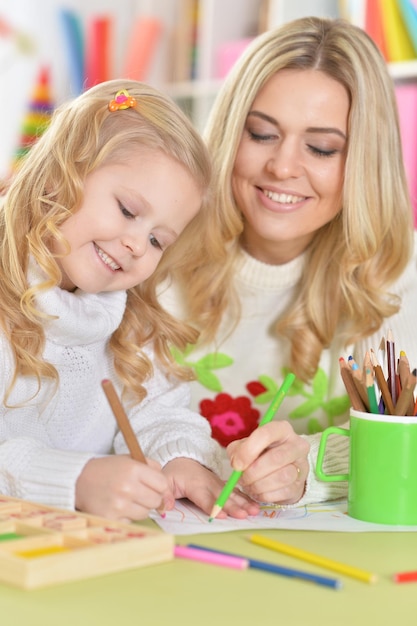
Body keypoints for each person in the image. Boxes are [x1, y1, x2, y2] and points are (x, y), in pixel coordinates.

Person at [159, 17, 417, 507]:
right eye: (260, 134)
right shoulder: (152, 251)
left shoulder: (401, 272)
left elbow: (409, 440)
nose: (282, 167)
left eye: (321, 147)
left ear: (363, 162)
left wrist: (309, 470)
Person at [0, 78, 260, 522]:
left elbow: (159, 413)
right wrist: (74, 480)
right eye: (127, 210)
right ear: (63, 172)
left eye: (159, 239)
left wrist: (180, 459)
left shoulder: (126, 318)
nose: (139, 246)